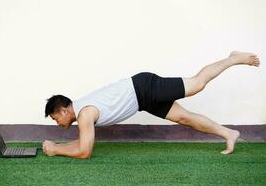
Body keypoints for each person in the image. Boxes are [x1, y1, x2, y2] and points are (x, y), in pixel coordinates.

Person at [42, 51, 260, 159]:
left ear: (63, 110)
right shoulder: (83, 112)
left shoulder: (84, 113)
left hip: (144, 88)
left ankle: (233, 58)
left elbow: (84, 151)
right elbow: (82, 143)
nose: (58, 123)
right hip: (142, 100)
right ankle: (229, 134)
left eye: (55, 118)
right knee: (187, 118)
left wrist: (55, 149)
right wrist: (57, 148)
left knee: (196, 84)